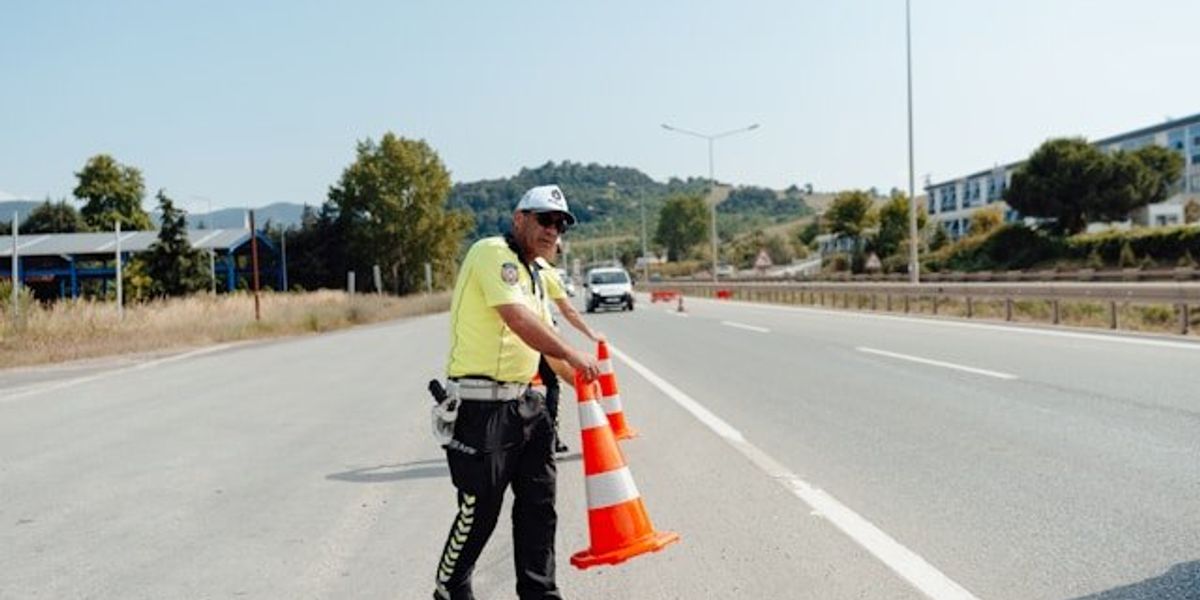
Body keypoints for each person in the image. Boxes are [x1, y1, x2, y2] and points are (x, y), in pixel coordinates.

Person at [432, 184, 601, 600]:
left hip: (527, 404)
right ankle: (450, 589)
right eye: (544, 219)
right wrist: (576, 355)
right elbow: (518, 320)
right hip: (479, 407)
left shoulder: (537, 275)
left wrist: (584, 389)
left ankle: (541, 594)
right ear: (519, 218)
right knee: (480, 511)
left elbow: (544, 342)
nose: (553, 231)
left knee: (539, 507)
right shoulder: (492, 253)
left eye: (560, 225)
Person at [533, 246, 605, 454]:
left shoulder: (517, 264)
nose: (557, 253)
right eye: (558, 248)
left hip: (515, 338)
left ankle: (533, 439)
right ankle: (550, 438)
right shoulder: (546, 271)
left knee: (518, 388)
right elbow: (569, 311)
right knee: (557, 384)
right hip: (544, 336)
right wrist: (591, 333)